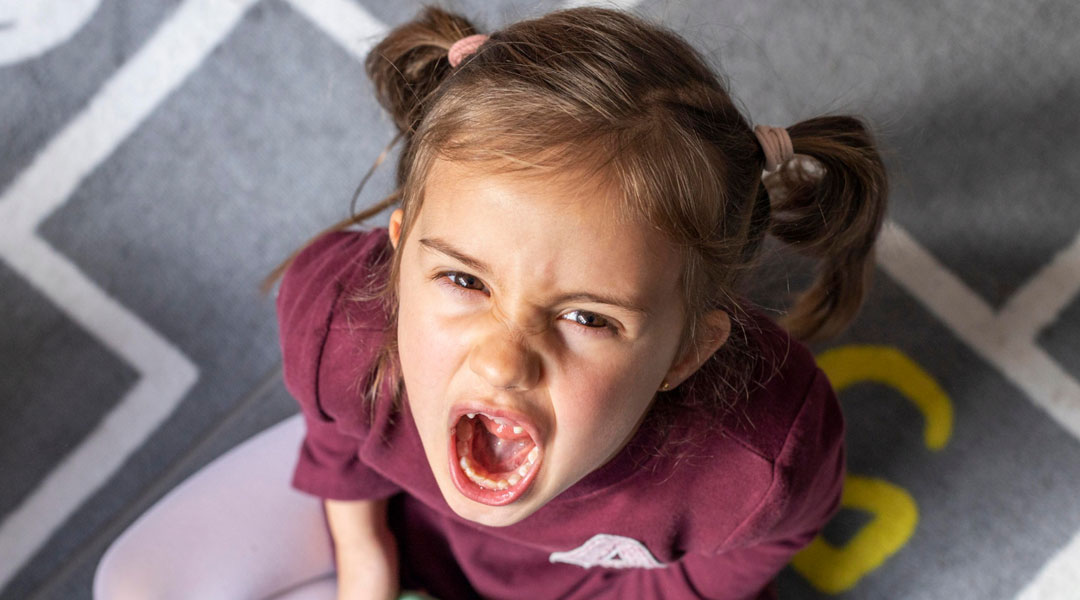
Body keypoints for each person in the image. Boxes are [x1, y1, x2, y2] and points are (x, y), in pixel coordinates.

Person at [93, 5, 887, 599]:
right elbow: (333, 433)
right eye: (465, 281)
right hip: (400, 518)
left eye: (586, 317)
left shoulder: (756, 458)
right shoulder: (344, 324)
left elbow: (751, 551)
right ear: (400, 255)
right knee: (135, 582)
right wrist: (365, 560)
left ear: (684, 351)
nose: (504, 361)